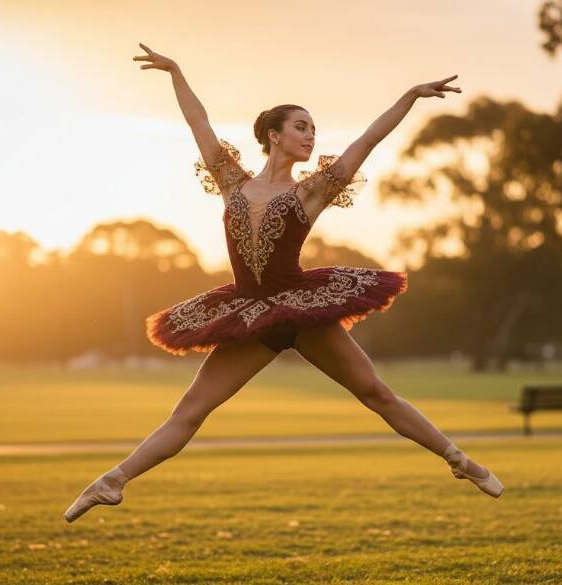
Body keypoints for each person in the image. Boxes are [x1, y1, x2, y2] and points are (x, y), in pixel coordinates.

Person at [64, 42, 503, 523]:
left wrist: (410, 95)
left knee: (376, 394)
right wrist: (176, 72)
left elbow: (367, 142)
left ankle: (460, 461)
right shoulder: (232, 182)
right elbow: (199, 124)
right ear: (273, 135)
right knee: (189, 411)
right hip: (250, 316)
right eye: (301, 126)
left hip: (301, 308)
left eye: (314, 129)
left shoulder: (310, 191)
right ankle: (112, 481)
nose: (311, 136)